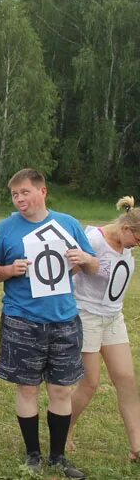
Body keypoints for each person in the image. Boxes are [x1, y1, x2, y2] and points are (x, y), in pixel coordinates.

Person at [0, 168, 98, 479]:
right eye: (15, 194)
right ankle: (33, 454)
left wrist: (83, 259)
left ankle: (58, 456)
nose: (20, 199)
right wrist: (11, 269)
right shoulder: (5, 229)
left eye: (25, 192)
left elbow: (93, 265)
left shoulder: (68, 223)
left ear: (42, 191)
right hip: (22, 319)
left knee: (62, 390)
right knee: (27, 388)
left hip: (64, 320)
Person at [66, 197, 140, 462]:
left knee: (127, 380)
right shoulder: (93, 239)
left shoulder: (125, 244)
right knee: (90, 382)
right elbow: (67, 273)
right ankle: (65, 430)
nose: (137, 246)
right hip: (86, 316)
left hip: (112, 317)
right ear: (126, 229)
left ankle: (137, 447)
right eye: (138, 240)